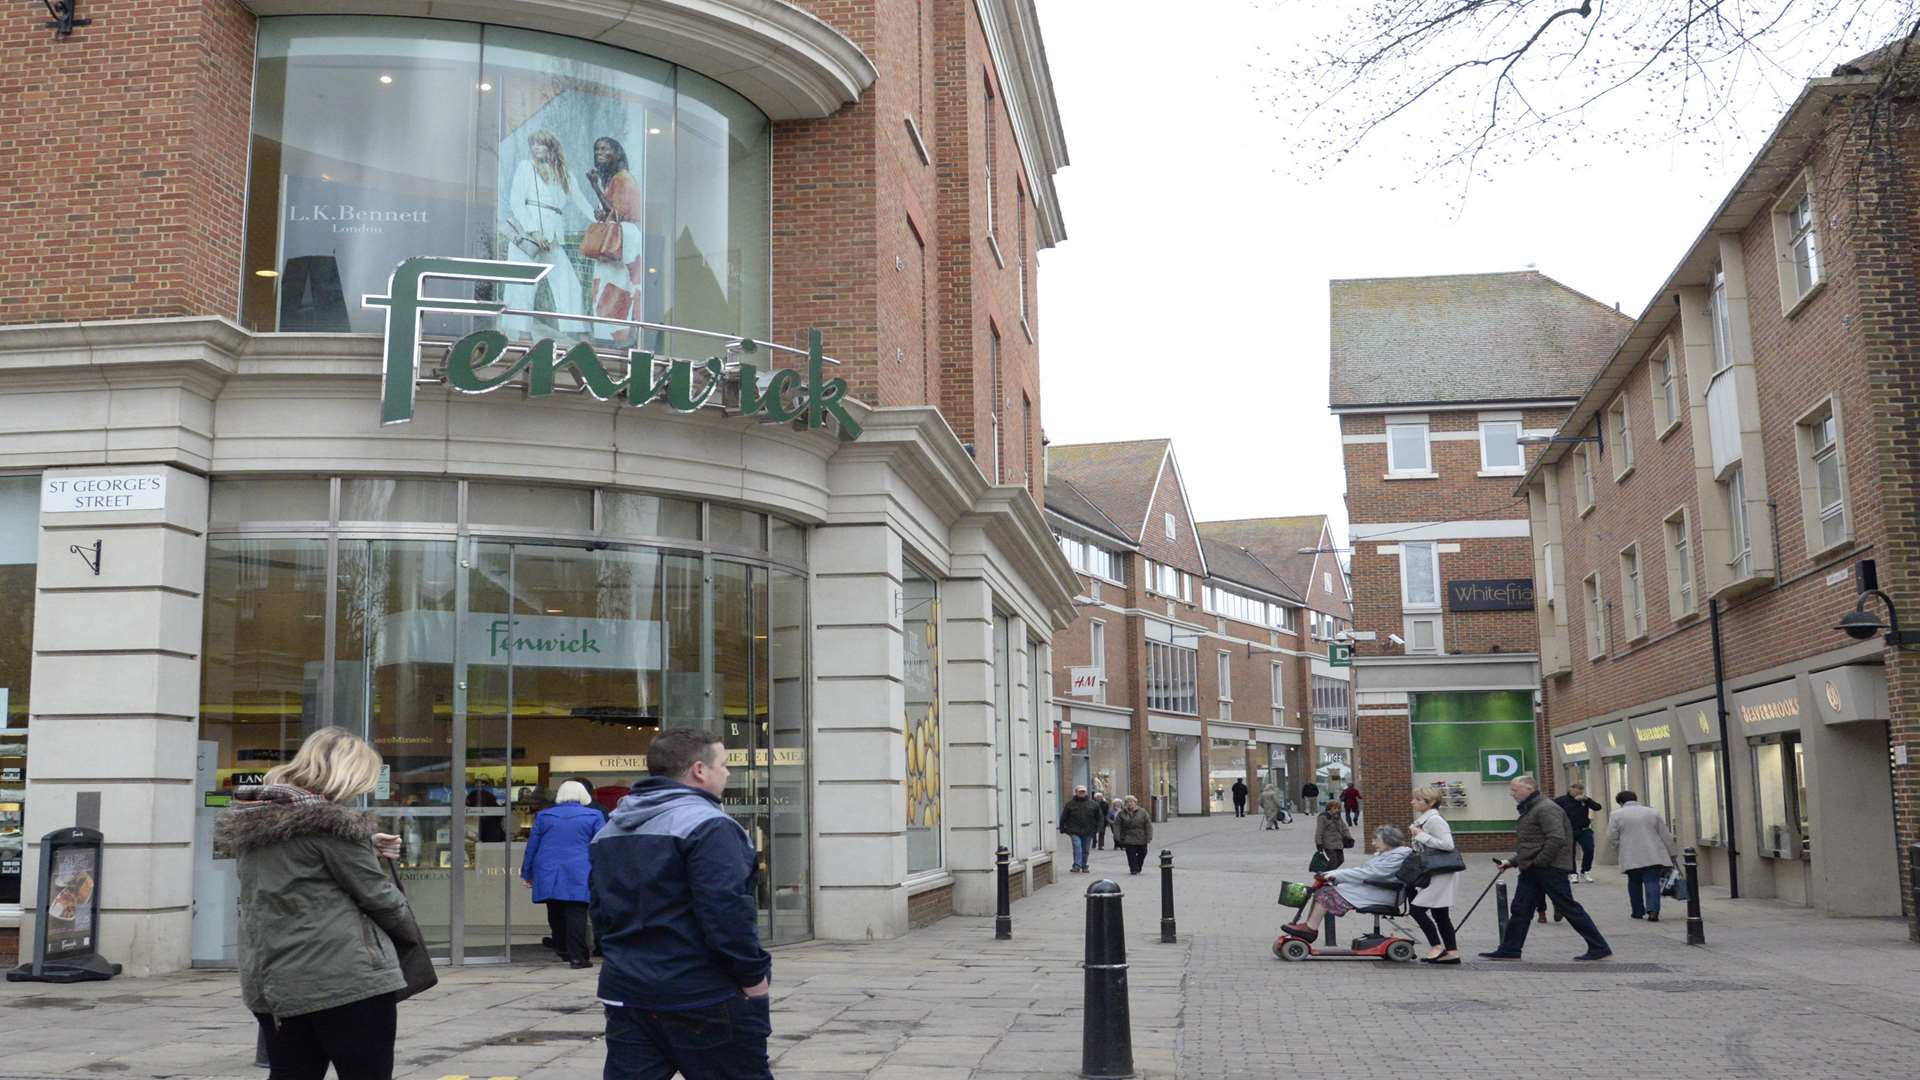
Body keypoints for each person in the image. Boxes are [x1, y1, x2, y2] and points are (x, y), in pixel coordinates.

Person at [216, 727, 419, 1080]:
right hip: (344, 978)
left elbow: (294, 868)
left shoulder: (253, 820)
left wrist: (365, 844)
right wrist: (409, 933)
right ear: (347, 774)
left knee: (292, 1073)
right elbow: (381, 899)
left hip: (273, 979)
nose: (365, 788)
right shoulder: (334, 827)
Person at [592, 729, 773, 1079]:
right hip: (703, 995)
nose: (728, 773)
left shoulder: (610, 830)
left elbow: (600, 913)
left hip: (628, 993)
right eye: (724, 764)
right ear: (699, 770)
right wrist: (754, 977)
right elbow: (726, 913)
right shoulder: (710, 826)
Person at [1480, 775, 1613, 962]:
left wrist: (1541, 862)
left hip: (1549, 868)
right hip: (1533, 868)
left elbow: (1556, 838)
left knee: (1567, 906)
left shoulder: (1545, 808)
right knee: (1521, 908)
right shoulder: (1533, 808)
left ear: (1529, 789)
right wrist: (1512, 861)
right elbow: (1533, 843)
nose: (1512, 794)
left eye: (1514, 790)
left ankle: (1599, 946)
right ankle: (1510, 948)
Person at [501, 129, 596, 339]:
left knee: (568, 283)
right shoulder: (525, 168)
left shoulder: (564, 174)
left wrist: (599, 218)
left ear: (551, 147)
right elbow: (517, 202)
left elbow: (581, 201)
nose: (536, 148)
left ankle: (576, 330)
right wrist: (534, 231)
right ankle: (520, 332)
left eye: (541, 144)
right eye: (533, 144)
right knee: (522, 284)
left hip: (553, 236)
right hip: (528, 236)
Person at [521, 780, 602, 968]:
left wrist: (527, 871)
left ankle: (563, 948)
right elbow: (601, 845)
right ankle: (577, 956)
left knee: (555, 909)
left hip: (548, 867)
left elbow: (532, 846)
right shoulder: (594, 815)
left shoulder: (544, 815)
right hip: (580, 868)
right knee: (577, 910)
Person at [1283, 825, 1415, 941]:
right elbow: (1363, 871)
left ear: (1389, 841)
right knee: (1324, 889)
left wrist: (1336, 874)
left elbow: (1369, 873)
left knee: (1327, 893)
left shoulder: (1397, 857)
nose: (1373, 843)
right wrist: (1334, 875)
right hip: (1375, 889)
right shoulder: (1387, 855)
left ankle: (1310, 929)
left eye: (1377, 840)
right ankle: (1309, 925)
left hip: (1384, 894)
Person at [585, 136, 647, 344]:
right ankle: (613, 336)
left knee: (613, 286)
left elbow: (617, 213)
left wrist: (595, 187)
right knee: (615, 285)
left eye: (605, 149)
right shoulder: (618, 179)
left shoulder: (622, 178)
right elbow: (614, 212)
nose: (599, 153)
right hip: (623, 235)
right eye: (597, 149)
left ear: (617, 153)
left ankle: (612, 338)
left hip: (622, 238)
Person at [1407, 785, 1461, 964]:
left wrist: (1421, 835)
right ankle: (1452, 952)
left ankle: (1436, 946)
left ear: (1429, 802)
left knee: (1417, 909)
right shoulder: (1425, 820)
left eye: (1417, 799)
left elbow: (1448, 844)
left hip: (1440, 872)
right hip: (1435, 871)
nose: (1412, 802)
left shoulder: (1434, 820)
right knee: (1440, 913)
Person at [1608, 790, 1681, 922]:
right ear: (1636, 798)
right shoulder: (1652, 812)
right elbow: (1665, 834)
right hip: (1653, 853)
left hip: (1630, 854)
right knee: (1652, 881)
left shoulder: (1616, 814)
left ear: (1620, 802)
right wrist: (1672, 852)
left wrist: (1619, 847)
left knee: (1634, 882)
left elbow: (1612, 836)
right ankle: (1653, 911)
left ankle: (1637, 911)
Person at [1555, 782, 1605, 882]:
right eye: (1577, 792)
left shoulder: (1584, 800)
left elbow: (1597, 807)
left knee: (1589, 848)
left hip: (1584, 829)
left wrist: (1586, 799)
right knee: (1570, 852)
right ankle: (1572, 873)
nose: (1579, 794)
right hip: (1568, 830)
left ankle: (1585, 871)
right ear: (1571, 790)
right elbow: (1553, 811)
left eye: (1581, 792)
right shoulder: (1561, 800)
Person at [1058, 785, 1104, 873]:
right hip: (1074, 830)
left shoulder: (1093, 804)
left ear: (1086, 792)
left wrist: (1099, 829)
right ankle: (1076, 865)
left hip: (1088, 831)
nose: (1082, 793)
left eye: (1083, 791)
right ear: (1076, 792)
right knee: (1077, 846)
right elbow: (1064, 816)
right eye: (1080, 792)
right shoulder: (1070, 804)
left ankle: (1084, 865)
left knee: (1085, 849)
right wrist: (1062, 828)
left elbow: (1100, 817)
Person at [1111, 795, 1154, 874]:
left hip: (1141, 836)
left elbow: (1148, 825)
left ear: (1135, 803)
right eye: (1127, 802)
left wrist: (1149, 836)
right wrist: (1117, 836)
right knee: (1131, 855)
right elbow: (1117, 825)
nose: (1130, 804)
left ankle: (1138, 866)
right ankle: (1133, 869)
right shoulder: (1122, 813)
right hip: (1128, 837)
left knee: (1143, 853)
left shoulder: (1143, 812)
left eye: (1131, 802)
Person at [1314, 798, 1352, 870]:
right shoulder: (1323, 817)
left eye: (1338, 808)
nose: (1337, 810)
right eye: (1335, 808)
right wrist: (1318, 843)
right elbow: (1319, 831)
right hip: (1328, 843)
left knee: (1341, 860)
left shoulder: (1338, 817)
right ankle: (1327, 875)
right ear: (1329, 808)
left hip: (1338, 843)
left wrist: (1349, 837)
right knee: (1333, 860)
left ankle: (1326, 872)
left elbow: (1344, 828)